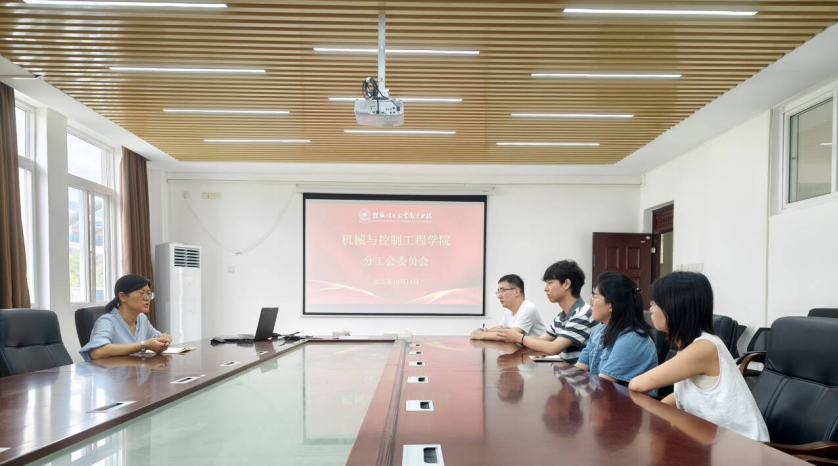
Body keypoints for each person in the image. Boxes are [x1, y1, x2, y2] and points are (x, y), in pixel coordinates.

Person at [628, 272, 769, 441]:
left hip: (743, 445)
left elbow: (637, 384)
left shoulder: (704, 347)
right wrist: (657, 412)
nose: (650, 309)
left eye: (654, 303)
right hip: (714, 439)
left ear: (675, 308)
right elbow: (682, 394)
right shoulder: (690, 345)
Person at [498, 260, 596, 364]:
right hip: (566, 371)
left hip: (579, 373)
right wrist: (516, 337)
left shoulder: (582, 314)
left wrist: (518, 337)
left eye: (550, 283)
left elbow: (553, 348)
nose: (545, 289)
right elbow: (541, 340)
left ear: (566, 284)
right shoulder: (561, 317)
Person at [575, 271, 658, 392]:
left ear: (611, 305)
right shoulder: (599, 331)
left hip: (627, 403)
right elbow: (579, 370)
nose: (591, 302)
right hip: (603, 400)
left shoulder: (632, 339)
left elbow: (602, 385)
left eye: (595, 296)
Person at [80, 274, 172, 362]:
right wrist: (143, 345)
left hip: (137, 369)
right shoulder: (106, 321)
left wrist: (164, 339)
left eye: (149, 293)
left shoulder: (141, 318)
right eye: (141, 293)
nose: (147, 298)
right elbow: (97, 353)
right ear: (122, 297)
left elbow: (156, 338)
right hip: (114, 372)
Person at [470, 274, 546, 341]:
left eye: (502, 290)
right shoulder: (509, 310)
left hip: (538, 352)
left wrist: (481, 335)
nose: (499, 296)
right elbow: (500, 328)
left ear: (516, 292)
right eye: (498, 291)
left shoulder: (528, 308)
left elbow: (511, 335)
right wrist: (486, 330)